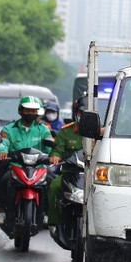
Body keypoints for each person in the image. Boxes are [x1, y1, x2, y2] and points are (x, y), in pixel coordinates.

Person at [0, 96, 54, 226]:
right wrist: (2, 151)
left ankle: (47, 213)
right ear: (21, 111)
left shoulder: (43, 129)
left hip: (38, 168)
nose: (31, 114)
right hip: (16, 166)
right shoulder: (9, 129)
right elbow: (3, 142)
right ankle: (2, 210)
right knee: (3, 179)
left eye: (34, 111)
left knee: (52, 181)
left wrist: (53, 155)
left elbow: (50, 145)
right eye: (28, 110)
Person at [48, 94, 85, 230]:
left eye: (87, 113)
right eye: (81, 112)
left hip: (92, 176)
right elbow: (57, 149)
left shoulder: (99, 131)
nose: (83, 115)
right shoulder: (66, 132)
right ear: (76, 113)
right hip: (70, 173)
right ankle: (53, 222)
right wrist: (55, 156)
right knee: (54, 187)